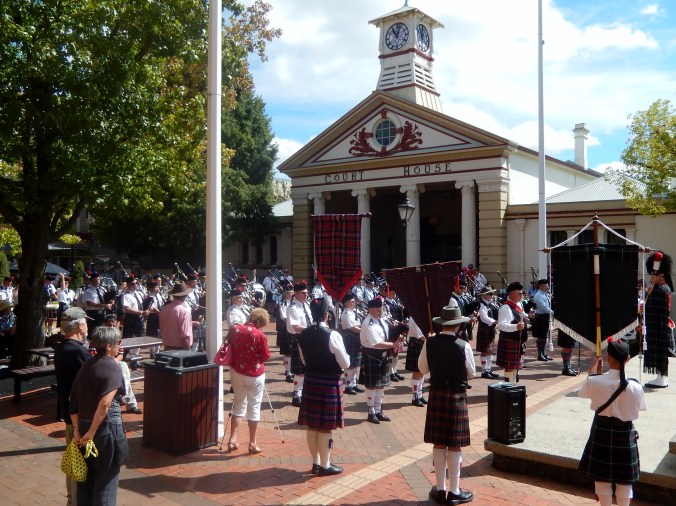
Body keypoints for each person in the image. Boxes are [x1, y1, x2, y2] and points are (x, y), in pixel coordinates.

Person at [418, 306, 475, 505]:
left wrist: (432, 346)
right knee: (454, 443)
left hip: (437, 395)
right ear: (458, 324)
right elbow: (471, 373)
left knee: (439, 442)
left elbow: (422, 369)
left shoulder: (429, 343)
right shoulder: (463, 345)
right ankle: (454, 491)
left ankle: (441, 490)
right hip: (457, 396)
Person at [578, 338, 646, 506]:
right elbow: (640, 408)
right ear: (628, 359)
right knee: (625, 479)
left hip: (601, 431)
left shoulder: (594, 381)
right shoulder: (636, 387)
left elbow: (581, 393)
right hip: (625, 433)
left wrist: (592, 370)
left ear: (608, 357)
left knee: (602, 478)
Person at [70, 326, 128, 506]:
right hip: (103, 429)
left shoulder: (87, 364)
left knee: (86, 480)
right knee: (106, 482)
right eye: (118, 343)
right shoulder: (112, 367)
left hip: (85, 426)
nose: (119, 346)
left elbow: (72, 400)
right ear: (110, 345)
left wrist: (77, 430)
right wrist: (92, 432)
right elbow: (105, 403)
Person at [298, 297, 350, 476]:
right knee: (325, 427)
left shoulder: (303, 334)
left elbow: (304, 360)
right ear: (326, 315)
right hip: (329, 383)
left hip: (311, 380)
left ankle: (316, 463)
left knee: (312, 425)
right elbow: (344, 363)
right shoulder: (333, 335)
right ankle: (325, 465)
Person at [53, 307, 92, 506]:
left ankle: (73, 501)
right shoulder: (76, 350)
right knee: (80, 464)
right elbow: (95, 378)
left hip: (71, 415)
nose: (87, 326)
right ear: (78, 325)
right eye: (85, 322)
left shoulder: (63, 347)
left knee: (75, 462)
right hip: (80, 418)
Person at [225, 308, 271, 454]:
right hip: (255, 374)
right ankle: (252, 443)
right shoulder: (260, 335)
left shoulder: (235, 330)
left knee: (238, 403)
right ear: (259, 322)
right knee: (254, 406)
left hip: (236, 371)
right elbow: (265, 356)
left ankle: (232, 439)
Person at [360, 298, 405, 424]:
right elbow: (377, 343)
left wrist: (398, 331)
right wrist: (393, 344)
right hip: (372, 354)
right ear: (370, 309)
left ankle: (378, 411)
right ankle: (371, 412)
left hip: (382, 355)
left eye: (381, 308)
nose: (380, 310)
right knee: (372, 385)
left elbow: (387, 332)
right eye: (377, 308)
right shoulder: (368, 323)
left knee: (381, 386)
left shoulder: (380, 320)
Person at [637, 251, 673, 388]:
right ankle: (660, 376)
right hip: (656, 325)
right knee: (658, 351)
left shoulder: (661, 290)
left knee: (659, 352)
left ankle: (662, 377)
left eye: (653, 274)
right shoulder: (658, 288)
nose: (651, 276)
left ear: (660, 274)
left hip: (658, 326)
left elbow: (657, 311)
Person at [101, 314, 143, 414]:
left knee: (123, 366)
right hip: (101, 364)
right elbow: (93, 355)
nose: (111, 327)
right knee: (123, 369)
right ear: (104, 325)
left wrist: (114, 361)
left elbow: (121, 354)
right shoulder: (99, 337)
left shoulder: (117, 338)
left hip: (114, 363)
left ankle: (125, 398)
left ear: (117, 325)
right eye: (109, 324)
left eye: (113, 324)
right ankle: (128, 400)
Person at [496, 282, 528, 384]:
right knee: (510, 366)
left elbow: (520, 315)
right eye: (520, 293)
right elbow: (501, 325)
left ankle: (513, 385)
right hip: (510, 339)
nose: (522, 296)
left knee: (516, 366)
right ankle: (508, 386)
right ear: (512, 294)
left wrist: (528, 316)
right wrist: (516, 326)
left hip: (518, 339)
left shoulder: (518, 304)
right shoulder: (505, 307)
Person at [286, 282, 312, 406]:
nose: (306, 295)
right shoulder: (293, 307)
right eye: (303, 293)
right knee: (300, 370)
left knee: (306, 368)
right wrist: (312, 330)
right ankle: (296, 395)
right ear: (296, 293)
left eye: (306, 293)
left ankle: (303, 392)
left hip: (307, 337)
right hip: (298, 338)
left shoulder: (305, 305)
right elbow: (296, 327)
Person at [339, 292, 364, 395]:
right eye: (352, 302)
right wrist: (365, 331)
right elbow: (352, 328)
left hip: (355, 338)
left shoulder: (352, 312)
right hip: (350, 338)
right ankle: (348, 386)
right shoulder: (346, 313)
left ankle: (353, 384)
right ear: (346, 303)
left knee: (355, 364)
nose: (354, 303)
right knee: (350, 364)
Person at [159, 281, 194, 350]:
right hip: (180, 349)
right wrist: (188, 353)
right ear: (185, 295)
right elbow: (185, 336)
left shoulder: (164, 309)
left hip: (167, 347)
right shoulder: (183, 311)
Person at [476, 286, 501, 379]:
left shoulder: (490, 304)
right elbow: (484, 318)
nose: (492, 295)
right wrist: (494, 321)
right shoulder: (482, 305)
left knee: (490, 351)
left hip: (490, 330)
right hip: (484, 330)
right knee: (484, 351)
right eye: (490, 294)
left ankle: (489, 369)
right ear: (484, 295)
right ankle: (484, 371)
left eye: (492, 293)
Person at [405, 318, 428, 406]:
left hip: (422, 342)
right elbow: (420, 335)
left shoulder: (421, 314)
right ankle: (415, 397)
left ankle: (420, 395)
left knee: (422, 370)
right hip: (417, 342)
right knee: (417, 371)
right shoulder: (415, 316)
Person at [276, 282, 295, 383]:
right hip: (286, 329)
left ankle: (291, 371)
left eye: (292, 292)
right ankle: (288, 373)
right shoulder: (282, 303)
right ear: (285, 294)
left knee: (293, 352)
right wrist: (293, 324)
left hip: (293, 329)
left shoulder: (294, 303)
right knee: (288, 353)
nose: (291, 294)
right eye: (289, 293)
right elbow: (284, 317)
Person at [532, 279, 554, 362]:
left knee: (544, 336)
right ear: (540, 286)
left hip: (545, 317)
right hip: (541, 317)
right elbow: (543, 307)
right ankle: (540, 354)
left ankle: (543, 353)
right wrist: (553, 312)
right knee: (541, 337)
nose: (547, 287)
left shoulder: (545, 294)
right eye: (545, 285)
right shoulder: (538, 295)